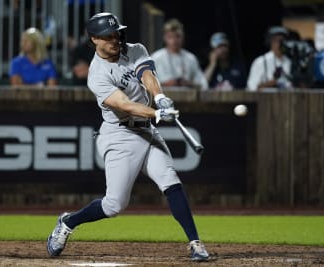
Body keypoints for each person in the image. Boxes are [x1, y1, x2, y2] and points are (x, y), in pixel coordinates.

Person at [46, 12, 209, 262]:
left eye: (116, 34)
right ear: (93, 40)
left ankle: (195, 243)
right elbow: (125, 105)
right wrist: (156, 112)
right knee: (114, 205)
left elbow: (148, 75)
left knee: (170, 180)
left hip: (146, 130)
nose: (114, 40)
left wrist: (160, 97)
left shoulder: (134, 49)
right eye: (107, 36)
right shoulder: (97, 74)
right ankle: (69, 221)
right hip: (120, 134)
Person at [151, 18, 208, 90]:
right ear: (164, 38)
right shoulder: (156, 57)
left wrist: (189, 84)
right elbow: (147, 83)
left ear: (183, 37)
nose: (174, 41)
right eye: (170, 37)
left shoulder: (190, 58)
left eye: (177, 36)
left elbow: (203, 84)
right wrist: (169, 83)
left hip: (187, 99)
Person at [246, 26, 292, 91]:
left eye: (282, 41)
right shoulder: (261, 61)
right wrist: (271, 83)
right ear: (270, 42)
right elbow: (251, 87)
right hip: (266, 99)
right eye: (276, 41)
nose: (280, 44)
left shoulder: (290, 61)